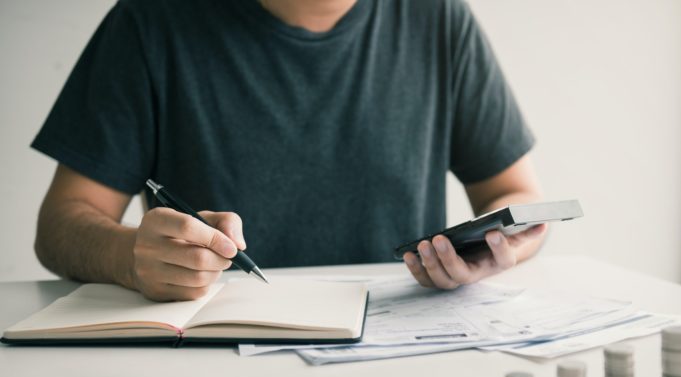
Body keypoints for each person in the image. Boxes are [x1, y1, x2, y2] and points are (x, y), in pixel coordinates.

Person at [33, 0, 546, 302]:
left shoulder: (437, 18)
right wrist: (131, 258)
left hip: (397, 351)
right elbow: (62, 224)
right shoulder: (150, 21)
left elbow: (515, 194)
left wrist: (489, 256)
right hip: (208, 366)